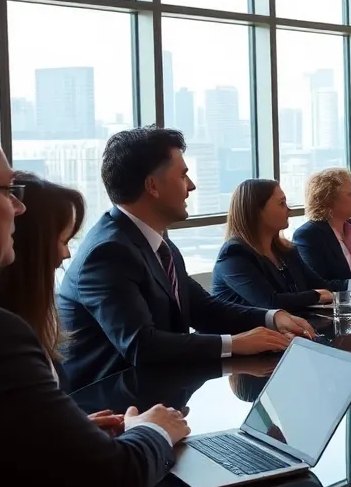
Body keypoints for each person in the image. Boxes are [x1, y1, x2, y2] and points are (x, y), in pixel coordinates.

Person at [0, 121, 195, 487]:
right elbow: (119, 482)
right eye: (9, 192)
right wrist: (154, 428)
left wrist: (69, 430)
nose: (20, 209)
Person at [57, 126, 315, 390]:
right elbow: (141, 345)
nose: (191, 186)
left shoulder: (156, 243)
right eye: (183, 175)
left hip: (157, 396)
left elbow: (203, 308)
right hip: (109, 410)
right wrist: (235, 343)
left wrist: (272, 317)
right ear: (152, 186)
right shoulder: (108, 252)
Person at [0, 171, 87, 394]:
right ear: (31, 248)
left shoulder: (21, 322)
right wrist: (146, 428)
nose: (66, 254)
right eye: (63, 241)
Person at [212, 179, 351, 310]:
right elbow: (269, 302)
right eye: (281, 203)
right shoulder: (234, 255)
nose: (288, 210)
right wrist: (315, 296)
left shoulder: (287, 251)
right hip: (247, 343)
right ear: (256, 211)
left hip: (288, 335)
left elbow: (322, 286)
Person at [292, 168, 351, 284]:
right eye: (350, 193)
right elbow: (316, 284)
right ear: (329, 200)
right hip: (335, 302)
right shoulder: (308, 235)